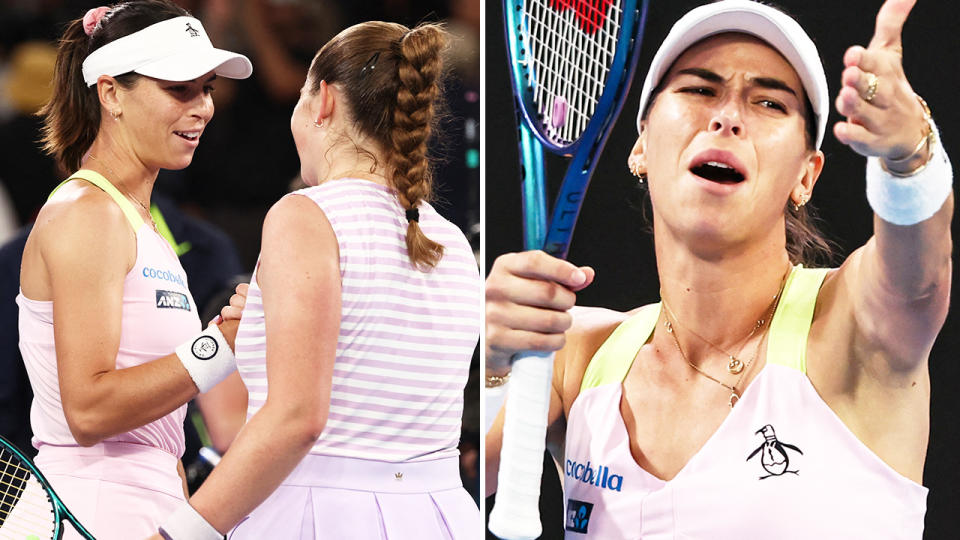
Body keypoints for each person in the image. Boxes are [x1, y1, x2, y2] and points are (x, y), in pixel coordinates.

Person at [485, 0, 951, 538]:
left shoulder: (858, 330)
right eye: (699, 89)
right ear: (640, 147)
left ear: (807, 175)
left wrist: (909, 158)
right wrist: (497, 365)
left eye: (770, 103)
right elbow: (437, 479)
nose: (727, 115)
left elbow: (919, 279)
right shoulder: (572, 355)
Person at [146, 21, 482, 540]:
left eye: (301, 95)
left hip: (322, 518)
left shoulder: (303, 216)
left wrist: (177, 535)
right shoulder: (452, 242)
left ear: (322, 100)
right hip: (441, 518)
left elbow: (297, 419)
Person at [18, 1, 251, 538]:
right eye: (179, 89)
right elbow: (91, 411)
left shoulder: (138, 225)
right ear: (111, 93)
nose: (202, 109)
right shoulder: (87, 214)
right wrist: (220, 345)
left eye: (207, 88)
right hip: (90, 510)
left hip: (141, 508)